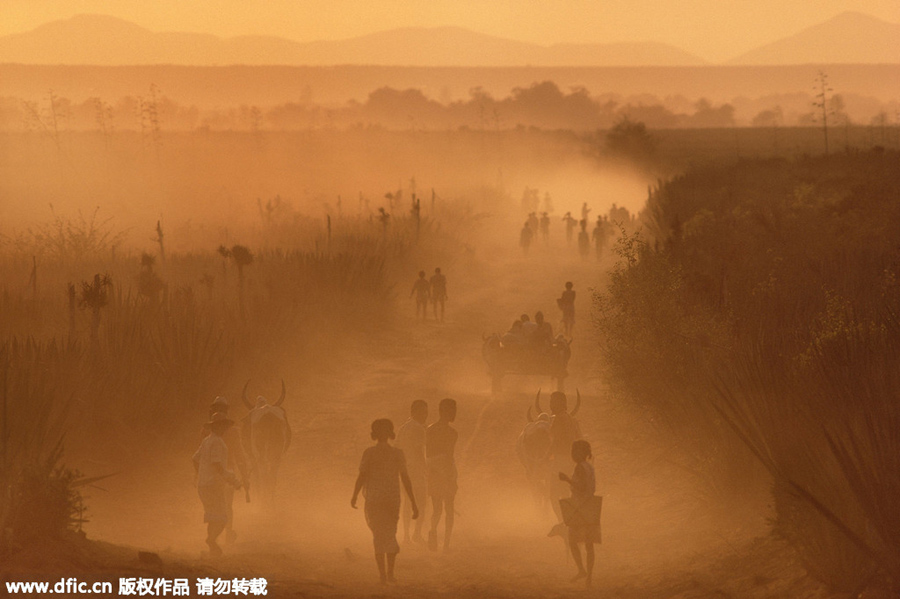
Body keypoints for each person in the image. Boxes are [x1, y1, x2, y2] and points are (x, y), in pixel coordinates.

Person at [352, 419, 419, 584]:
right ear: (391, 433)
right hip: (391, 499)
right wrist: (413, 502)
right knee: (390, 534)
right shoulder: (397, 453)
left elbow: (362, 476)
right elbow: (405, 479)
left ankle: (383, 575)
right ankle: (390, 574)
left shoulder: (369, 453)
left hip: (374, 500)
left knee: (378, 535)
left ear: (374, 434)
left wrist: (354, 495)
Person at [193, 412, 243, 556]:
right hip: (213, 486)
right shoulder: (218, 443)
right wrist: (231, 479)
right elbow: (217, 465)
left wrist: (201, 474)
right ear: (220, 427)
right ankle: (212, 540)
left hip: (203, 485)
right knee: (222, 518)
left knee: (212, 516)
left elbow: (194, 459)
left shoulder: (206, 441)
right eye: (223, 426)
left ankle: (212, 547)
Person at [202, 396, 250, 544]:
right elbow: (240, 455)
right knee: (226, 505)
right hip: (226, 473)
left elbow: (198, 457)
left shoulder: (205, 432)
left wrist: (198, 475)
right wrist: (244, 476)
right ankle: (227, 533)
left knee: (213, 507)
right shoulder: (233, 431)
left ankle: (213, 538)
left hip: (209, 475)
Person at [558, 440, 600, 588]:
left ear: (581, 453)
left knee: (573, 541)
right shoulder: (590, 467)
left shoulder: (579, 468)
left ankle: (582, 570)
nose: (573, 455)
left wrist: (567, 479)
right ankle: (589, 577)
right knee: (589, 544)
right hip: (591, 506)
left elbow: (580, 487)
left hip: (580, 507)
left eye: (575, 452)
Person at [426, 398, 458, 552]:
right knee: (446, 508)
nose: (454, 414)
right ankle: (444, 543)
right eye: (452, 410)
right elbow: (448, 457)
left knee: (438, 508)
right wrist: (450, 477)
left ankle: (437, 537)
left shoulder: (430, 430)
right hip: (441, 472)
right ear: (442, 412)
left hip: (435, 472)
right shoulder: (451, 433)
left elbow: (432, 456)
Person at [395, 401, 429, 544]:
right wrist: (426, 469)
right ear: (415, 411)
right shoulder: (418, 429)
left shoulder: (403, 428)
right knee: (421, 501)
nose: (426, 415)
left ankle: (406, 536)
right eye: (423, 412)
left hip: (404, 471)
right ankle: (416, 534)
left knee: (407, 503)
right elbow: (418, 451)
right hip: (415, 470)